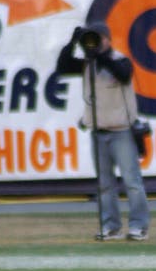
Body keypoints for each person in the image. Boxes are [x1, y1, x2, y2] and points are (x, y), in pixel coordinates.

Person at [56, 21, 150, 241]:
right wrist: (72, 42)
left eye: (98, 38)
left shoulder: (120, 60)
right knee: (104, 184)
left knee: (131, 182)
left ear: (108, 39)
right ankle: (111, 226)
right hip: (98, 131)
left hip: (122, 131)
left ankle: (139, 226)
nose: (94, 43)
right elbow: (62, 66)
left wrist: (99, 54)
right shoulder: (87, 65)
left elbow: (123, 74)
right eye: (91, 38)